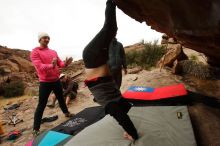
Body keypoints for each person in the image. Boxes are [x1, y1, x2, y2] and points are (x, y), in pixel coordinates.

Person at [82, 0, 138, 141]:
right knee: (112, 30)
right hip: (99, 59)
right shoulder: (119, 101)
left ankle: (110, 2)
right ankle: (111, 3)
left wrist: (131, 133)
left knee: (110, 28)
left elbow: (123, 118)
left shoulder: (111, 105)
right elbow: (127, 108)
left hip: (92, 57)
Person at [30, 32, 74, 136]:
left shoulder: (53, 52)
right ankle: (35, 129)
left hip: (56, 80)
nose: (47, 39)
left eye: (48, 38)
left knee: (61, 98)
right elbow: (39, 67)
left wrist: (66, 64)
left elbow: (60, 63)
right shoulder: (35, 52)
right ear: (40, 40)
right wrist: (51, 65)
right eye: (44, 38)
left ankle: (66, 113)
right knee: (42, 104)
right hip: (45, 82)